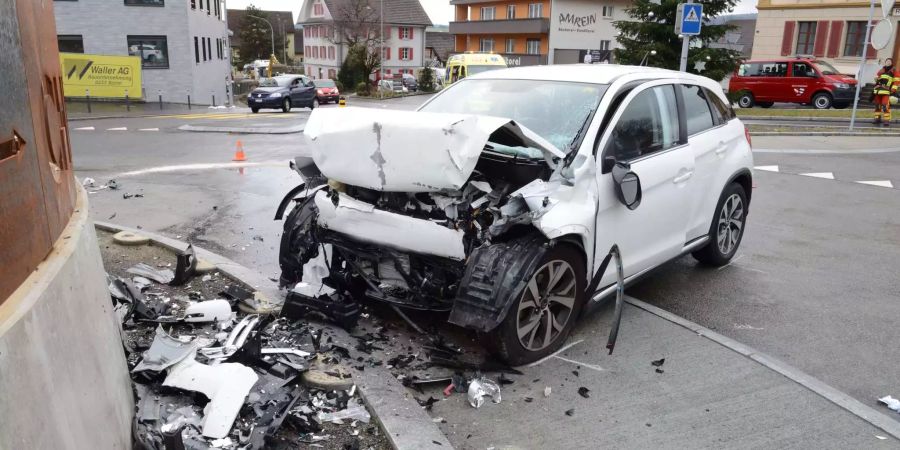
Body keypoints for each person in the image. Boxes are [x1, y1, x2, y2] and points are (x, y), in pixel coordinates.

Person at [873, 58, 900, 126]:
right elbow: (877, 79)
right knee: (877, 105)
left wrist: (893, 89)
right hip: (878, 90)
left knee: (885, 105)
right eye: (887, 61)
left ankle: (886, 120)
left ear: (891, 63)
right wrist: (876, 79)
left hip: (887, 91)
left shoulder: (894, 71)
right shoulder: (881, 70)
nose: (888, 62)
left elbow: (896, 81)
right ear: (885, 62)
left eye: (889, 61)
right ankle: (877, 118)